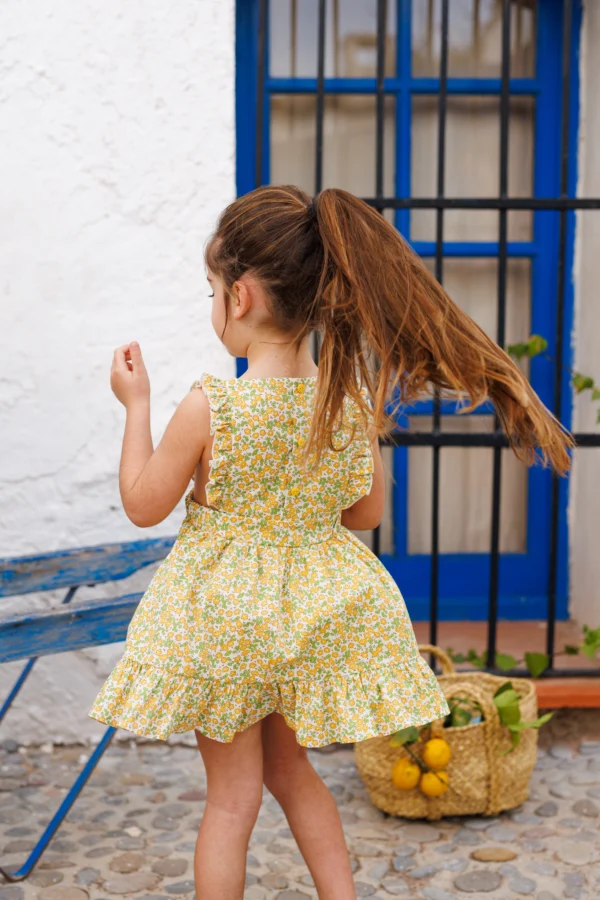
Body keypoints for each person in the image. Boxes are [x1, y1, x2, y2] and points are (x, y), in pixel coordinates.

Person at [89, 184, 573, 900]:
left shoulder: (210, 406)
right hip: (305, 624)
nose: (213, 302)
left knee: (232, 799)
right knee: (294, 775)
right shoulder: (344, 404)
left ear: (242, 296)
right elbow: (365, 514)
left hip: (223, 624)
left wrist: (137, 409)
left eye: (212, 288)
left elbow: (142, 504)